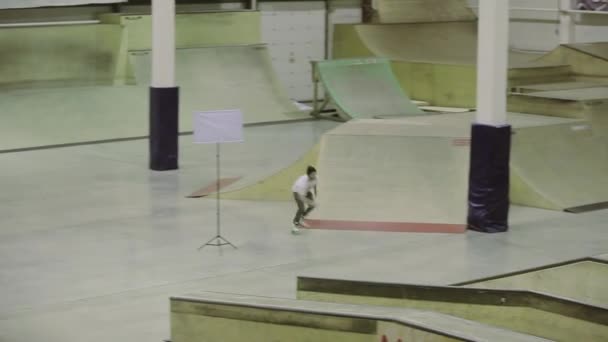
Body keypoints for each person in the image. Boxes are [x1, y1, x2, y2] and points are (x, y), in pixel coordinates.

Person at [291, 166, 317, 234]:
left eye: (315, 174)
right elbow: (301, 197)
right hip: (297, 192)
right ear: (308, 175)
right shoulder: (302, 184)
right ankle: (295, 225)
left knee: (312, 206)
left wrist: (315, 192)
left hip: (306, 191)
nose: (314, 176)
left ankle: (301, 219)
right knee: (301, 208)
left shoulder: (315, 177)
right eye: (313, 174)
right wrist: (311, 202)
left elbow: (315, 184)